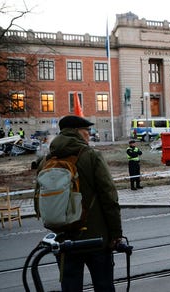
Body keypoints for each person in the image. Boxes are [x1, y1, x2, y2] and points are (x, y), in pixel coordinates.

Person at [35, 115, 123, 291]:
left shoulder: (47, 160)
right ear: (76, 132)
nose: (89, 135)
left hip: (64, 237)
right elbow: (109, 196)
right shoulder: (91, 155)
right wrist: (116, 234)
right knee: (104, 285)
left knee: (70, 286)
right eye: (86, 131)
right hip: (96, 238)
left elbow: (39, 198)